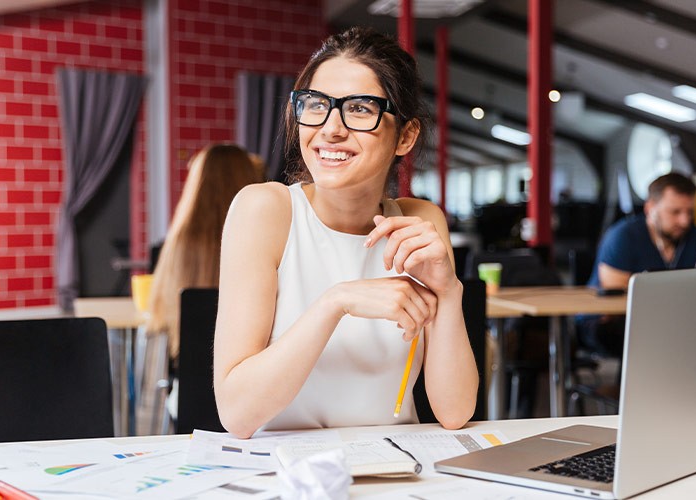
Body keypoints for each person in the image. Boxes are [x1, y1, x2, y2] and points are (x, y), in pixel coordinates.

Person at [213, 27, 478, 438]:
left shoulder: (420, 222)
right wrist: (336, 301)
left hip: (396, 467)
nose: (330, 129)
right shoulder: (264, 210)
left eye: (359, 108)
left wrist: (449, 291)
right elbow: (237, 414)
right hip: (283, 472)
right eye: (316, 104)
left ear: (405, 136)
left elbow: (455, 412)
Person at [147, 143, 262, 360]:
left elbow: (158, 318)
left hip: (186, 384)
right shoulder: (265, 240)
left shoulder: (178, 242)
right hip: (251, 377)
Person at [579, 171, 696, 355]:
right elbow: (617, 300)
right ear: (650, 208)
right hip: (608, 321)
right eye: (675, 212)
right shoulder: (623, 236)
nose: (684, 221)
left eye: (690, 212)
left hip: (673, 318)